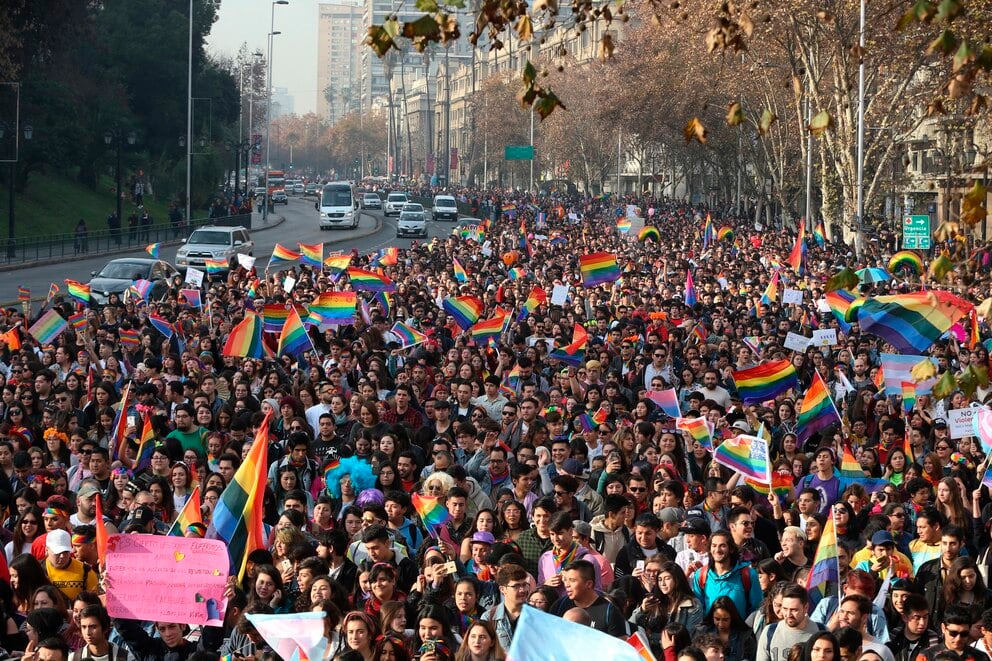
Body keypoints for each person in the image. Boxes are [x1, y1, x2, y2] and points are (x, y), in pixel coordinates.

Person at [550, 560, 628, 637]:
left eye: (572, 580)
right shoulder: (559, 606)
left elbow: (619, 644)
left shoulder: (609, 612)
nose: (567, 585)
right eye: (565, 580)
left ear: (589, 584)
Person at [755, 584, 821, 661]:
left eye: (794, 610)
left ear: (806, 608)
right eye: (785, 608)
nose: (788, 614)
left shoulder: (820, 631)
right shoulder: (769, 632)